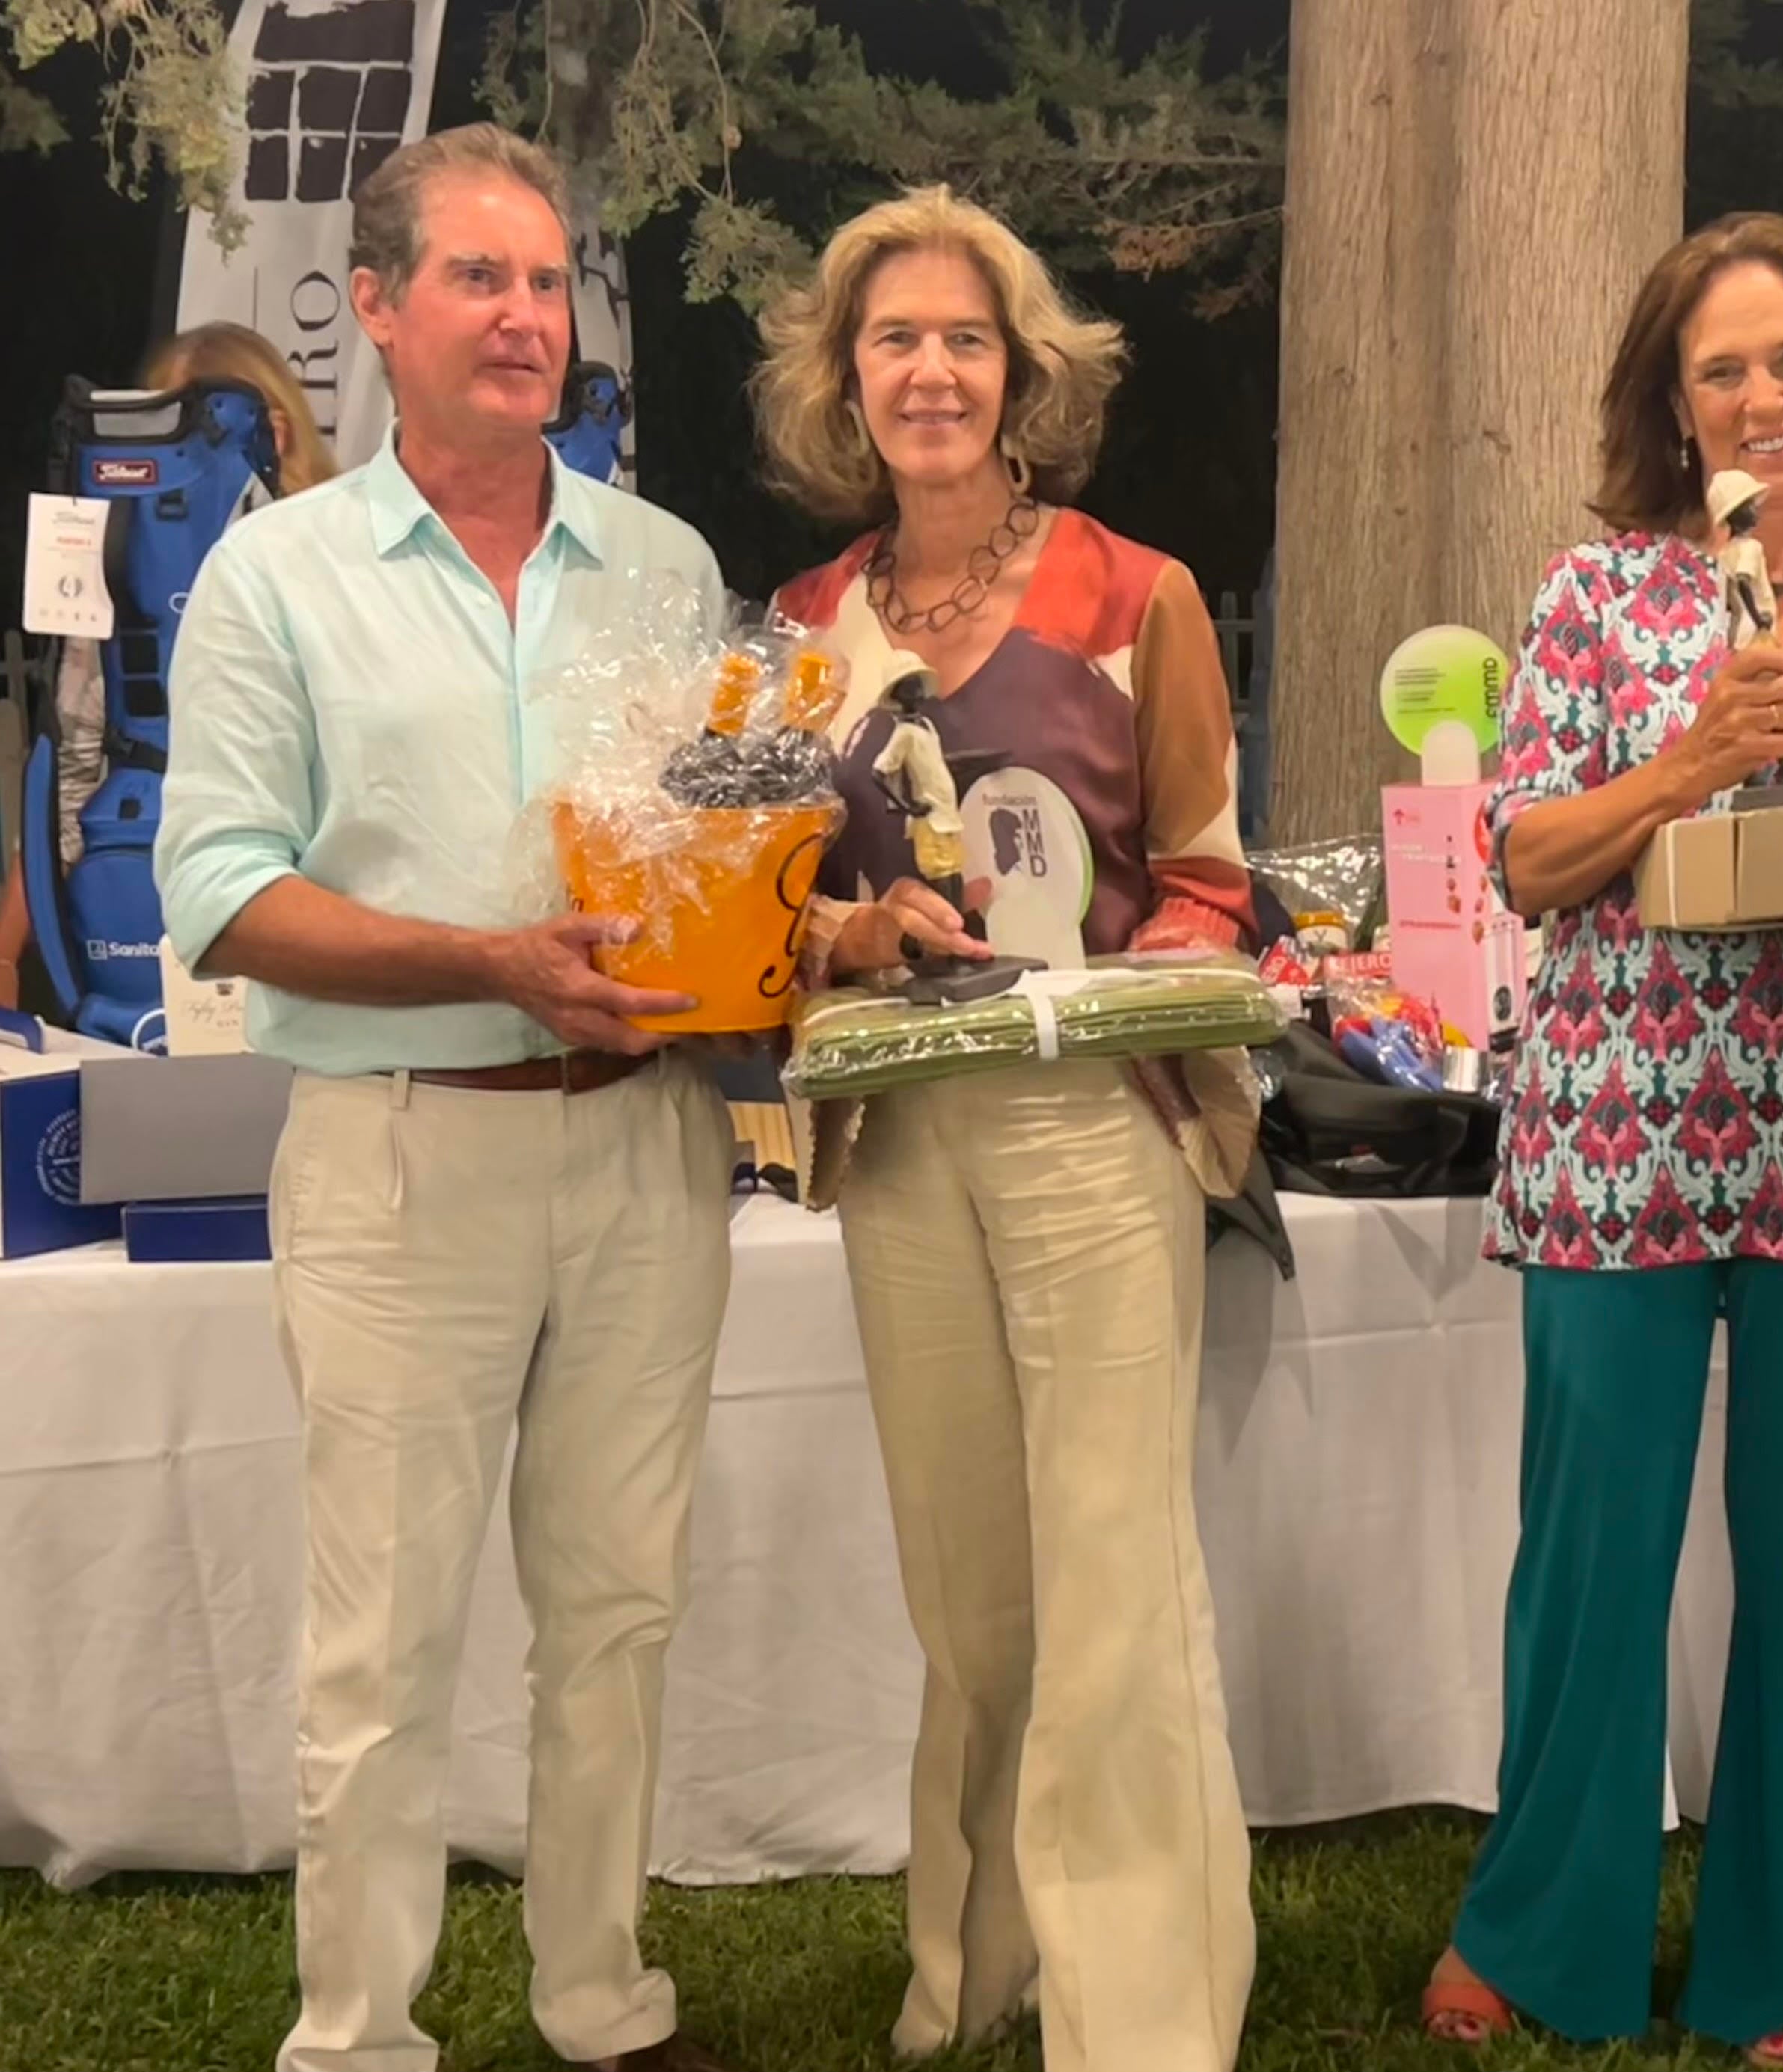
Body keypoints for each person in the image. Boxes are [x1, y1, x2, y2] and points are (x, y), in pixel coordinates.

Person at [153, 124, 740, 2072]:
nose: (524, 315)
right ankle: (358, 2035)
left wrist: (819, 917)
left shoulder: (665, 566)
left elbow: (724, 862)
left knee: (618, 1610)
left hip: (650, 1149)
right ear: (379, 312)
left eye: (548, 278)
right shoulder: (275, 577)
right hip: (401, 1160)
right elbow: (223, 895)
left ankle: (599, 2000)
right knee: (381, 1647)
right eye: (479, 278)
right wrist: (486, 961)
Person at [1419, 212, 1783, 2065]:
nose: (1758, 396)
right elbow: (1521, 857)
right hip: (1614, 1129)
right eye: (1717, 371)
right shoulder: (1597, 599)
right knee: (1589, 1548)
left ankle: (1781, 1943)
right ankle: (1544, 1925)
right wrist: (1688, 760)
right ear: (1671, 414)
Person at [752, 183, 1256, 2072]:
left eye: (965, 336)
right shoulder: (804, 624)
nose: (931, 369)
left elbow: (1209, 879)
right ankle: (966, 1973)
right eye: (895, 339)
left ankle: (1138, 2027)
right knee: (969, 1594)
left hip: (1089, 1124)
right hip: (899, 1138)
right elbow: (768, 907)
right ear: (846, 380)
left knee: (1115, 1579)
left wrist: (1108, 982)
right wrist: (848, 929)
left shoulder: (1138, 595)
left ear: (1020, 369)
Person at [0, 323, 339, 1012]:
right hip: (137, 907)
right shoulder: (117, 571)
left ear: (275, 430)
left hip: (300, 903)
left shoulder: (345, 551)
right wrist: (6, 953)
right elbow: (70, 772)